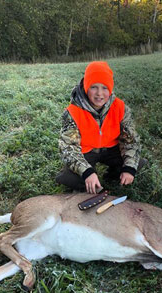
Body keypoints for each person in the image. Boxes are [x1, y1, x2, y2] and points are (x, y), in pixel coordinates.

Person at [56, 61, 142, 194]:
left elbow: (130, 141)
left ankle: (113, 175)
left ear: (111, 88)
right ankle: (88, 176)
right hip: (86, 152)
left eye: (105, 88)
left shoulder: (120, 108)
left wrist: (129, 168)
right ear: (85, 87)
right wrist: (87, 172)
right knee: (71, 177)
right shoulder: (72, 112)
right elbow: (68, 148)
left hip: (112, 149)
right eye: (93, 87)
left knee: (136, 164)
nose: (99, 94)